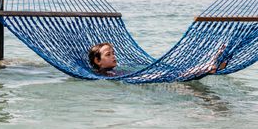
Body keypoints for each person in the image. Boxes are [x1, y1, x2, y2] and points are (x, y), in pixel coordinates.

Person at [87, 41, 227, 79]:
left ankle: (210, 65)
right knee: (179, 75)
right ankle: (210, 65)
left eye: (113, 53)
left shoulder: (113, 71)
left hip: (141, 77)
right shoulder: (102, 74)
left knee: (179, 74)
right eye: (108, 54)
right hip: (141, 79)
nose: (113, 56)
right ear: (97, 61)